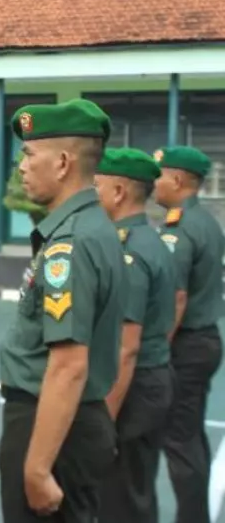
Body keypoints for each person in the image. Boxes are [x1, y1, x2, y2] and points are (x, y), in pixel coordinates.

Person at [0, 98, 123, 522]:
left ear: (64, 162)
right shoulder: (95, 228)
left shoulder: (70, 244)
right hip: (70, 425)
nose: (22, 166)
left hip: (50, 431)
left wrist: (36, 467)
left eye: (31, 153)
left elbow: (68, 365)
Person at [93, 147, 175, 523]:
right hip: (150, 381)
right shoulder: (150, 241)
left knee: (121, 499)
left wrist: (104, 420)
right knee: (136, 492)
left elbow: (126, 347)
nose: (91, 192)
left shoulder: (129, 252)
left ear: (119, 191)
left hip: (132, 388)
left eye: (96, 184)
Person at [153, 145, 225, 523]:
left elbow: (176, 298)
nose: (155, 183)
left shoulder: (179, 229)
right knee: (190, 435)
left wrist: (158, 350)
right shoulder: (207, 221)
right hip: (205, 340)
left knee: (178, 439)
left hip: (185, 345)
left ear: (178, 179)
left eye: (160, 175)